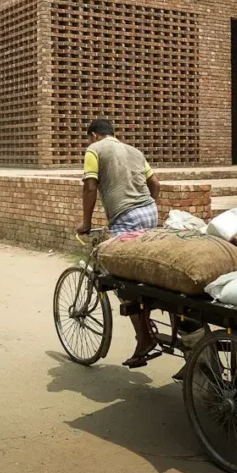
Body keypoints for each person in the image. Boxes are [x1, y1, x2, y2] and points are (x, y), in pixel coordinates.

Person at [78, 118, 162, 368]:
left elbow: (90, 188)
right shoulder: (134, 150)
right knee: (144, 273)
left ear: (93, 135)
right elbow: (155, 184)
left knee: (119, 278)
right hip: (150, 212)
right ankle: (149, 321)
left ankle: (144, 336)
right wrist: (150, 208)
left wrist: (85, 222)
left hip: (126, 217)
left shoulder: (93, 150)